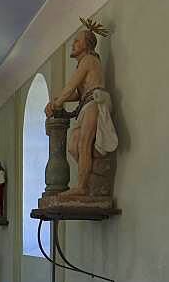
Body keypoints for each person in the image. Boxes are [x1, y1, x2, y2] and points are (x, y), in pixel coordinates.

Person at [45, 18, 118, 195]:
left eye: (77, 41)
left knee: (84, 143)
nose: (73, 44)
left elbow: (71, 85)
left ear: (87, 45)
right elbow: (78, 92)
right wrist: (59, 99)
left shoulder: (89, 60)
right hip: (86, 104)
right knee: (73, 145)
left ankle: (82, 186)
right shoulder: (84, 62)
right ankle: (90, 175)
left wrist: (56, 103)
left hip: (93, 104)